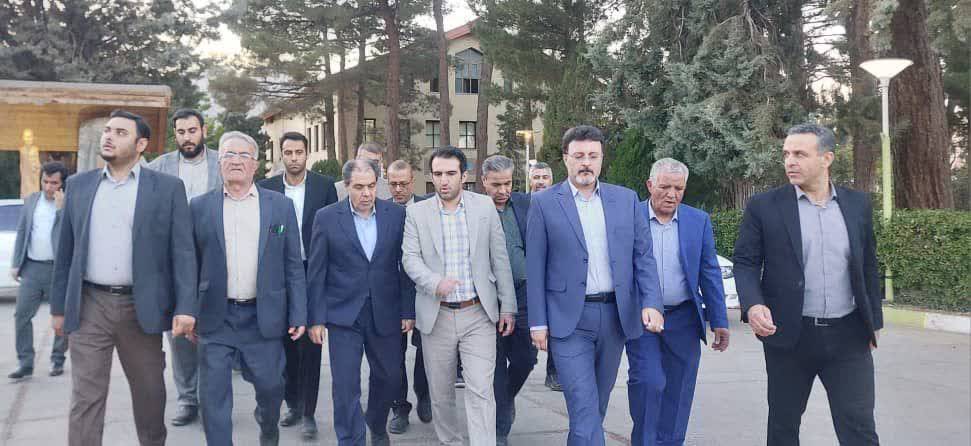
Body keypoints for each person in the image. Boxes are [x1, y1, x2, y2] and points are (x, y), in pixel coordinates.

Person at [50, 109, 197, 446]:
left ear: (141, 144)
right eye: (107, 130)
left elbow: (183, 253)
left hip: (141, 307)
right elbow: (66, 253)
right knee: (86, 397)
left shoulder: (167, 189)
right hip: (90, 306)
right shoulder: (79, 186)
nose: (108, 137)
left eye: (120, 132)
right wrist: (58, 308)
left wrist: (186, 307)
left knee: (150, 395)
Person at [734, 123, 883, 445]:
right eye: (786, 154)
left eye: (800, 154)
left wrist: (873, 324)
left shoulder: (857, 204)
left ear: (826, 158)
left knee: (859, 427)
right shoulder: (764, 206)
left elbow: (868, 265)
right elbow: (746, 262)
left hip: (849, 336)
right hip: (790, 335)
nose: (790, 161)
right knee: (783, 427)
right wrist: (753, 304)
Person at [526, 125, 663, 445]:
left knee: (593, 409)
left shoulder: (626, 199)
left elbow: (643, 258)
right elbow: (535, 266)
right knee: (584, 406)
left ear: (602, 159)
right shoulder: (545, 203)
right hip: (568, 321)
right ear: (565, 159)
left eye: (592, 156)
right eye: (578, 156)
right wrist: (538, 322)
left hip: (615, 318)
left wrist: (652, 303)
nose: (585, 163)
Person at [191, 131, 307, 446]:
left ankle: (268, 428)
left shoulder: (280, 206)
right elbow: (189, 265)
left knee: (271, 389)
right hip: (216, 317)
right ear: (219, 163)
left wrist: (299, 313)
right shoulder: (199, 207)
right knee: (212, 399)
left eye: (244, 155)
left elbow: (293, 265)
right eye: (228, 154)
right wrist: (187, 312)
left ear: (255, 164)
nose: (236, 161)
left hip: (263, 317)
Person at [402, 146, 517, 446]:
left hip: (478, 314)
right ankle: (450, 441)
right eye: (438, 174)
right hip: (436, 315)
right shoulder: (416, 213)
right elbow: (410, 258)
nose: (444, 180)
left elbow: (499, 258)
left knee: (481, 389)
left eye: (451, 173)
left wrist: (508, 307)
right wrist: (434, 282)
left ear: (464, 176)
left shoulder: (484, 207)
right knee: (441, 393)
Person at [306, 159, 416, 446]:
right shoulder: (326, 218)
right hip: (343, 315)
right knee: (345, 386)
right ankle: (350, 440)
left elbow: (406, 266)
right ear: (346, 186)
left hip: (386, 311)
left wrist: (408, 309)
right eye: (358, 187)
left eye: (371, 186)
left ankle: (376, 423)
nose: (366, 193)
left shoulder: (396, 215)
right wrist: (316, 318)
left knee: (390, 377)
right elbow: (316, 271)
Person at [626, 158, 730, 446]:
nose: (672, 194)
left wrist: (719, 320)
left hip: (684, 318)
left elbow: (709, 271)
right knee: (648, 382)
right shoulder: (629, 217)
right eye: (665, 187)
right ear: (650, 185)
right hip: (642, 318)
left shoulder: (698, 221)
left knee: (680, 389)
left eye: (679, 188)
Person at [258, 131, 338, 439]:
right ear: (282, 154)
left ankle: (308, 413)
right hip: (279, 276)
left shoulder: (323, 187)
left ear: (307, 154)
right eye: (288, 152)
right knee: (286, 346)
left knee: (311, 347)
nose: (294, 158)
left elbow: (332, 232)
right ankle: (292, 403)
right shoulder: (266, 188)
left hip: (313, 273)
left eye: (299, 152)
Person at [146, 107, 222, 427]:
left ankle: (212, 400)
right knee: (179, 333)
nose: (187, 137)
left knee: (214, 332)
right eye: (181, 132)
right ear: (174, 134)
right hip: (173, 261)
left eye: (192, 131)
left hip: (215, 258)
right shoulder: (158, 167)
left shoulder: (222, 162)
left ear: (203, 130)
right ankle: (187, 399)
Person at [480, 155, 538, 446]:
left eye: (508, 183)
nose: (503, 190)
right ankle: (500, 427)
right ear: (484, 182)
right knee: (494, 361)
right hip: (487, 296)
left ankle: (505, 398)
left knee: (526, 357)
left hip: (525, 293)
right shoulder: (475, 209)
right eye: (496, 185)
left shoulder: (527, 204)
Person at [9, 161, 70, 379]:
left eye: (54, 183)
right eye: (45, 181)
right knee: (21, 316)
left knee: (61, 318)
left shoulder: (68, 204)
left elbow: (67, 236)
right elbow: (22, 231)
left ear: (62, 184)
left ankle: (57, 359)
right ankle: (25, 363)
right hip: (32, 268)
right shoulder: (32, 201)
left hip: (58, 270)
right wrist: (16, 263)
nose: (48, 187)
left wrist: (61, 210)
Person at [386, 159, 434, 434]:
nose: (398, 189)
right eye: (393, 184)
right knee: (394, 356)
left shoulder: (429, 207)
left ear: (412, 181)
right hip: (391, 296)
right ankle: (399, 407)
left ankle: (424, 394)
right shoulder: (381, 210)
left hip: (425, 291)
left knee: (427, 351)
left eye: (403, 184)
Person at [528, 161, 560, 390]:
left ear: (552, 180)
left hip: (553, 277)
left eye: (544, 177)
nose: (540, 181)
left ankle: (554, 372)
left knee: (557, 328)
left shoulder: (560, 205)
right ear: (530, 180)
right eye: (536, 177)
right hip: (526, 277)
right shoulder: (521, 205)